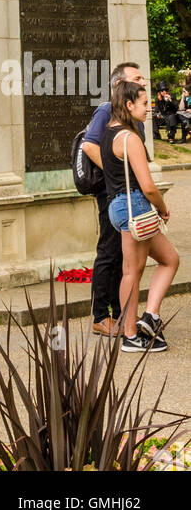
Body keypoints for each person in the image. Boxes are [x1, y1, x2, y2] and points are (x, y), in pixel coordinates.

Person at [101, 80, 178, 351]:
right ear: (129, 104)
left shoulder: (109, 132)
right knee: (131, 271)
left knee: (169, 259)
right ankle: (131, 335)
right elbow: (147, 185)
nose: (149, 108)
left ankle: (150, 317)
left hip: (117, 207)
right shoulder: (130, 138)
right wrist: (162, 207)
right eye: (144, 103)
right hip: (135, 206)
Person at [81, 61, 148, 337]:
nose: (143, 81)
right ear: (120, 85)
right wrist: (114, 178)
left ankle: (123, 315)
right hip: (114, 192)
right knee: (109, 251)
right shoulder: (107, 110)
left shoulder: (132, 111)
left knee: (125, 253)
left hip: (129, 192)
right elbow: (89, 144)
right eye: (137, 78)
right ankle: (100, 316)